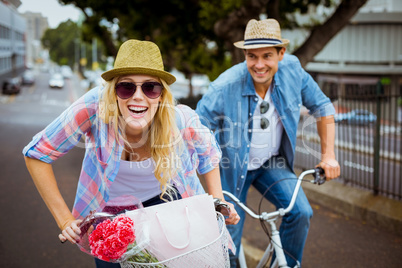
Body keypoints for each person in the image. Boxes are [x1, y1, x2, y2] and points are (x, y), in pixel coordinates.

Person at [23, 39, 239, 268]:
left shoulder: (179, 118)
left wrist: (218, 201)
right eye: (126, 87)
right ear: (113, 92)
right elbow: (36, 154)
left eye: (150, 87)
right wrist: (65, 219)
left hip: (166, 206)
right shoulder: (94, 108)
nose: (138, 96)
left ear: (162, 95)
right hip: (111, 217)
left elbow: (209, 153)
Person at [196, 18, 340, 267]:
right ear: (245, 55)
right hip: (231, 167)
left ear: (281, 53)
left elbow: (323, 106)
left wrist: (328, 156)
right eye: (252, 56)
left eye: (267, 56)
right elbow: (195, 130)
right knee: (227, 240)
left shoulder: (293, 70)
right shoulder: (224, 86)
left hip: (270, 163)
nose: (259, 64)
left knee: (300, 212)